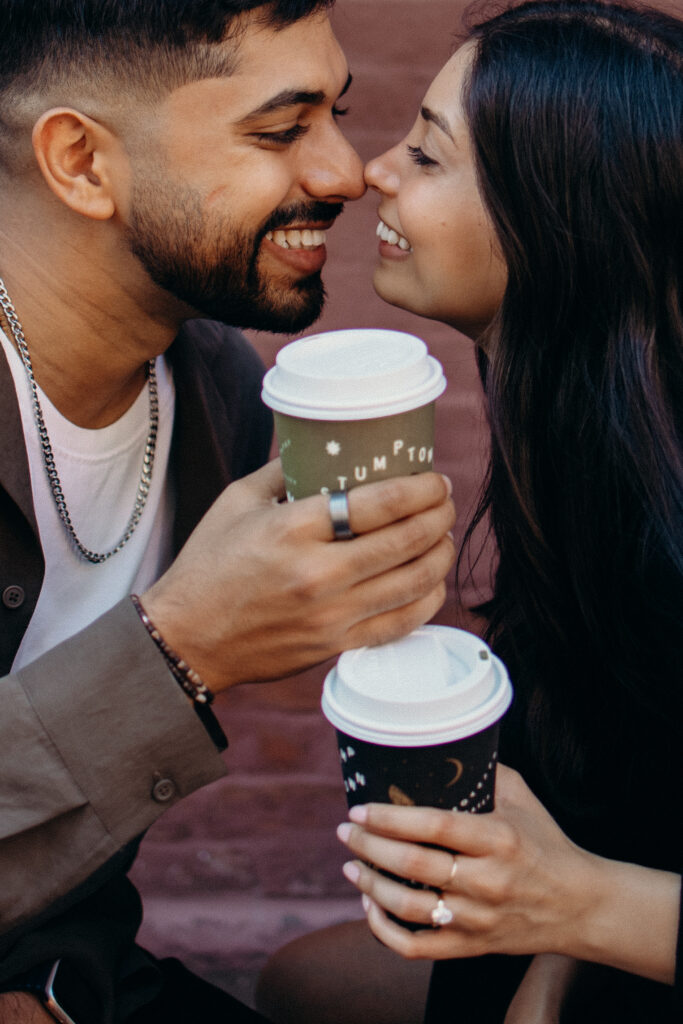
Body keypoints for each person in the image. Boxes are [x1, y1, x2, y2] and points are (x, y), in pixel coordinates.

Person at [0, 1, 457, 1021]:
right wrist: (181, 647)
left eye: (335, 115)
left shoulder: (221, 398)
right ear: (80, 161)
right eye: (280, 129)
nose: (344, 171)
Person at [255, 1, 683, 1021]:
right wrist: (552, 959)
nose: (370, 174)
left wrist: (579, 910)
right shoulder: (576, 445)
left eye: (430, 156)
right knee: (297, 980)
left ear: (558, 220)